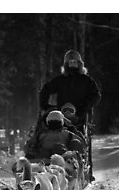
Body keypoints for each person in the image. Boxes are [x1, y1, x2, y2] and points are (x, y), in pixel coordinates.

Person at [38, 49, 101, 180]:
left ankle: (87, 171)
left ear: (80, 64)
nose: (72, 64)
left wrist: (85, 106)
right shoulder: (61, 80)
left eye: (75, 62)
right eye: (70, 62)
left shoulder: (87, 80)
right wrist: (46, 106)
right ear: (66, 64)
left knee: (83, 140)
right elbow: (45, 89)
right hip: (62, 116)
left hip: (81, 115)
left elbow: (96, 95)